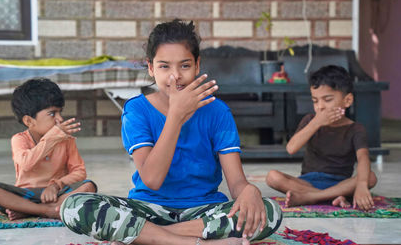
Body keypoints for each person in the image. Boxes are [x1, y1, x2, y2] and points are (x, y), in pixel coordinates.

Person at [60, 19, 282, 245]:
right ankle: (189, 242)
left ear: (197, 65)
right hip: (147, 210)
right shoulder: (136, 110)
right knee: (73, 206)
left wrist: (249, 191)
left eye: (184, 66)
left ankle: (146, 237)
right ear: (150, 67)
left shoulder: (217, 111)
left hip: (203, 211)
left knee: (269, 211)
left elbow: (236, 183)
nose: (174, 76)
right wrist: (176, 116)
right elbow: (152, 180)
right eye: (164, 66)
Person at [0, 78, 97, 220]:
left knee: (89, 187)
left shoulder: (66, 140)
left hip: (56, 193)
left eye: (60, 112)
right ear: (29, 121)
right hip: (26, 195)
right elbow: (26, 164)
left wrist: (56, 185)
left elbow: (80, 172)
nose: (59, 119)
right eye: (52, 114)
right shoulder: (19, 139)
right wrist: (51, 138)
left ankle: (30, 211)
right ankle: (46, 210)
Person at [265, 65, 377, 210]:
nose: (320, 107)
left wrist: (361, 185)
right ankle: (331, 197)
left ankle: (310, 197)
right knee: (272, 177)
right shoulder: (310, 120)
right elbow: (291, 148)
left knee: (371, 177)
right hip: (307, 182)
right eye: (315, 101)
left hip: (340, 183)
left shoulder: (355, 129)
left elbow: (363, 158)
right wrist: (316, 123)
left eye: (327, 99)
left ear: (347, 101)